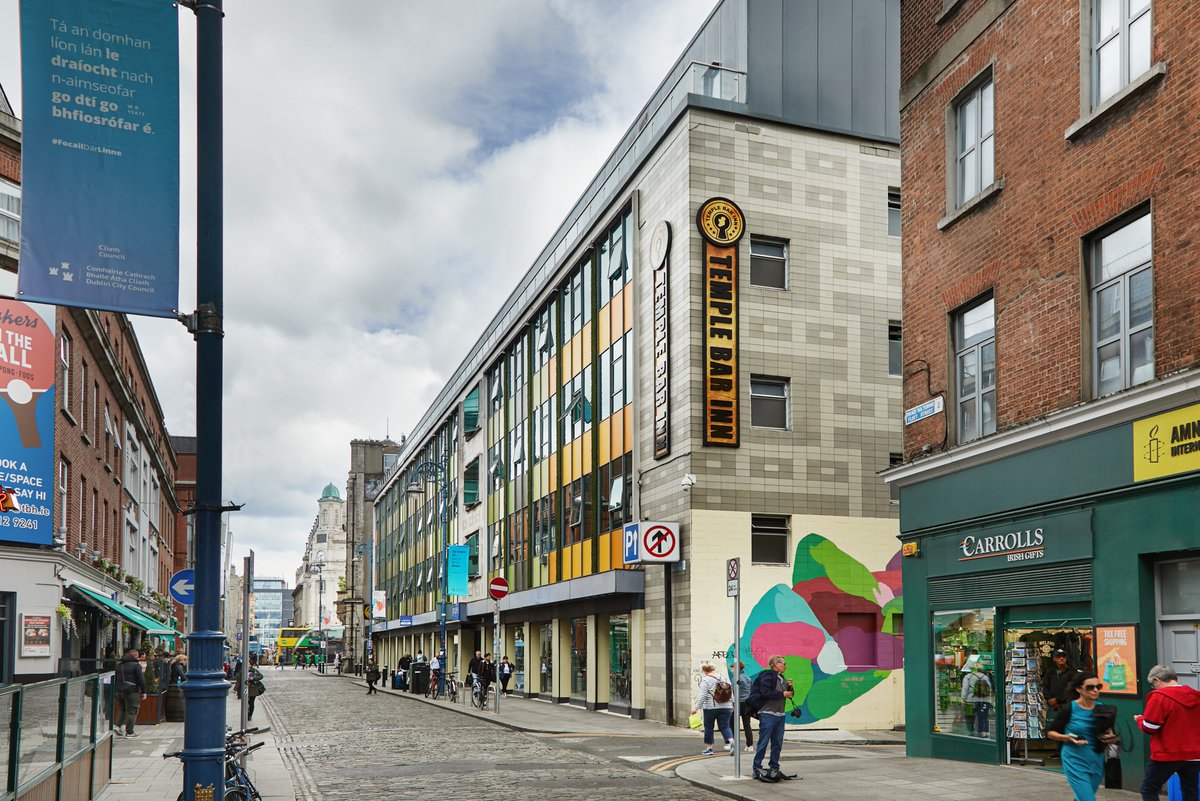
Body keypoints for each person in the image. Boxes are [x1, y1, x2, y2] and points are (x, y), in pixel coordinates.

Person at [1048, 672, 1118, 801]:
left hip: (1096, 760)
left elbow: (1109, 732)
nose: (1095, 690)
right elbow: (1051, 732)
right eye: (1090, 687)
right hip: (1074, 759)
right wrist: (1066, 737)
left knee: (1081, 797)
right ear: (1079, 689)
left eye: (1098, 686)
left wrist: (1110, 737)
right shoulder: (1069, 709)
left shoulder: (1102, 708)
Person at [1135, 664, 1200, 801]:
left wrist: (1140, 720)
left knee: (1149, 788)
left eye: (1153, 685)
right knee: (1190, 790)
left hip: (1168, 753)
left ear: (1157, 680)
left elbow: (1150, 727)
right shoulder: (1195, 696)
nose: (1154, 688)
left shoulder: (1159, 697)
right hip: (1194, 754)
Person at [750, 655, 795, 783]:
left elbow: (790, 695)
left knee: (777, 743)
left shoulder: (782, 678)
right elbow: (765, 692)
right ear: (775, 664)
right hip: (768, 713)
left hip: (780, 714)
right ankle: (756, 767)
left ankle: (774, 767)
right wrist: (782, 693)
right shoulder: (767, 675)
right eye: (783, 663)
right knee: (763, 742)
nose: (785, 666)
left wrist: (790, 688)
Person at [690, 663, 735, 756]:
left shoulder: (706, 680)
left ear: (704, 671)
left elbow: (702, 695)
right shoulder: (723, 678)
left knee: (709, 727)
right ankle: (731, 742)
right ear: (713, 669)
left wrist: (696, 708)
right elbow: (730, 691)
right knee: (725, 726)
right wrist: (733, 703)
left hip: (711, 707)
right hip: (726, 707)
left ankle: (709, 748)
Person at [115, 647, 146, 737]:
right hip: (132, 691)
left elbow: (115, 678)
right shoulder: (136, 665)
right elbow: (141, 680)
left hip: (119, 690)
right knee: (132, 710)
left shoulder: (119, 665)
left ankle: (117, 726)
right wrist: (143, 691)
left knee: (122, 709)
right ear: (136, 656)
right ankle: (129, 732)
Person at [961, 662, 993, 737]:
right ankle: (982, 732)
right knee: (983, 717)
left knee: (970, 717)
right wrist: (990, 700)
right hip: (985, 700)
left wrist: (963, 699)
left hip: (970, 700)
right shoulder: (985, 677)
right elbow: (990, 688)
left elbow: (965, 689)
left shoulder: (967, 677)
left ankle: (971, 732)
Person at [733, 660, 754, 752]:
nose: (732, 670)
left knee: (732, 723)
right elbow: (751, 690)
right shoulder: (747, 677)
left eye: (733, 667)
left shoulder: (736, 678)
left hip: (738, 702)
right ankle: (750, 745)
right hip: (747, 703)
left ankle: (734, 744)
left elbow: (734, 691)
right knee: (747, 724)